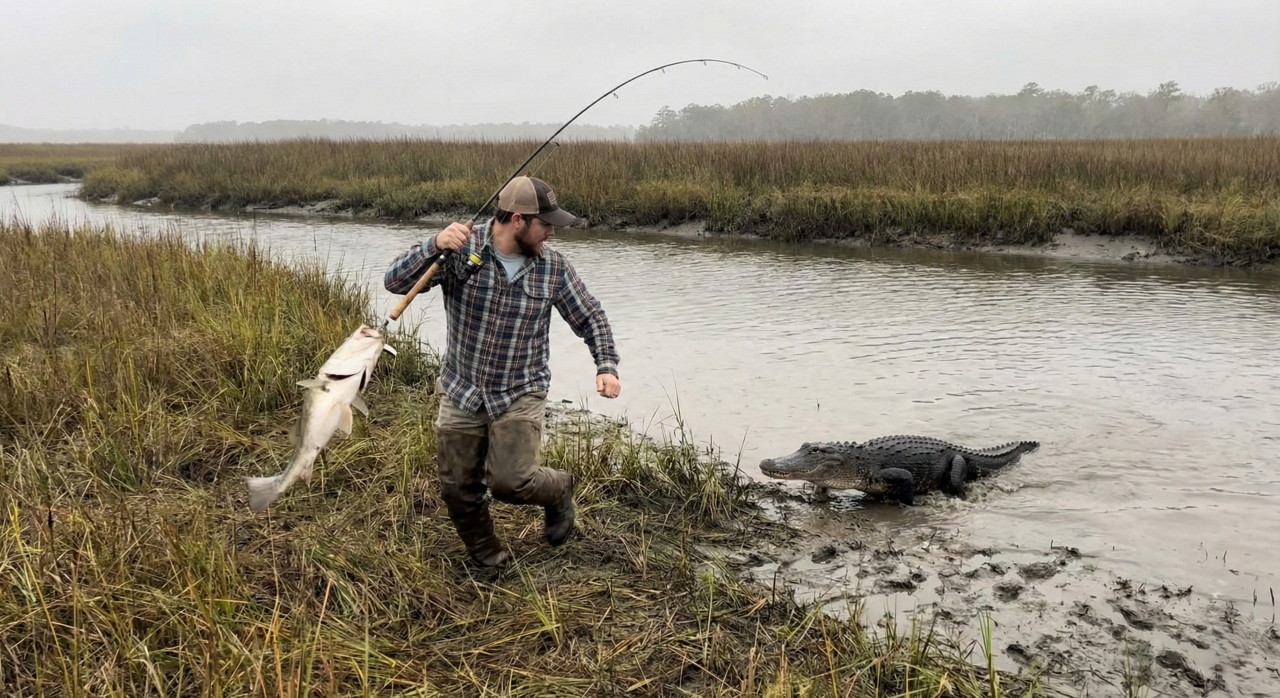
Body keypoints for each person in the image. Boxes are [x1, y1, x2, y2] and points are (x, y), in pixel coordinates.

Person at [383, 175, 621, 568]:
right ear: (517, 220)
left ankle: (560, 490)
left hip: (520, 391)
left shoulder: (555, 269)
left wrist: (606, 365)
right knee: (459, 489)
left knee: (511, 482)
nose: (551, 234)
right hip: (462, 389)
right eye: (545, 225)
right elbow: (395, 282)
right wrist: (434, 244)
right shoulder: (459, 249)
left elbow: (591, 317)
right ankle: (488, 558)